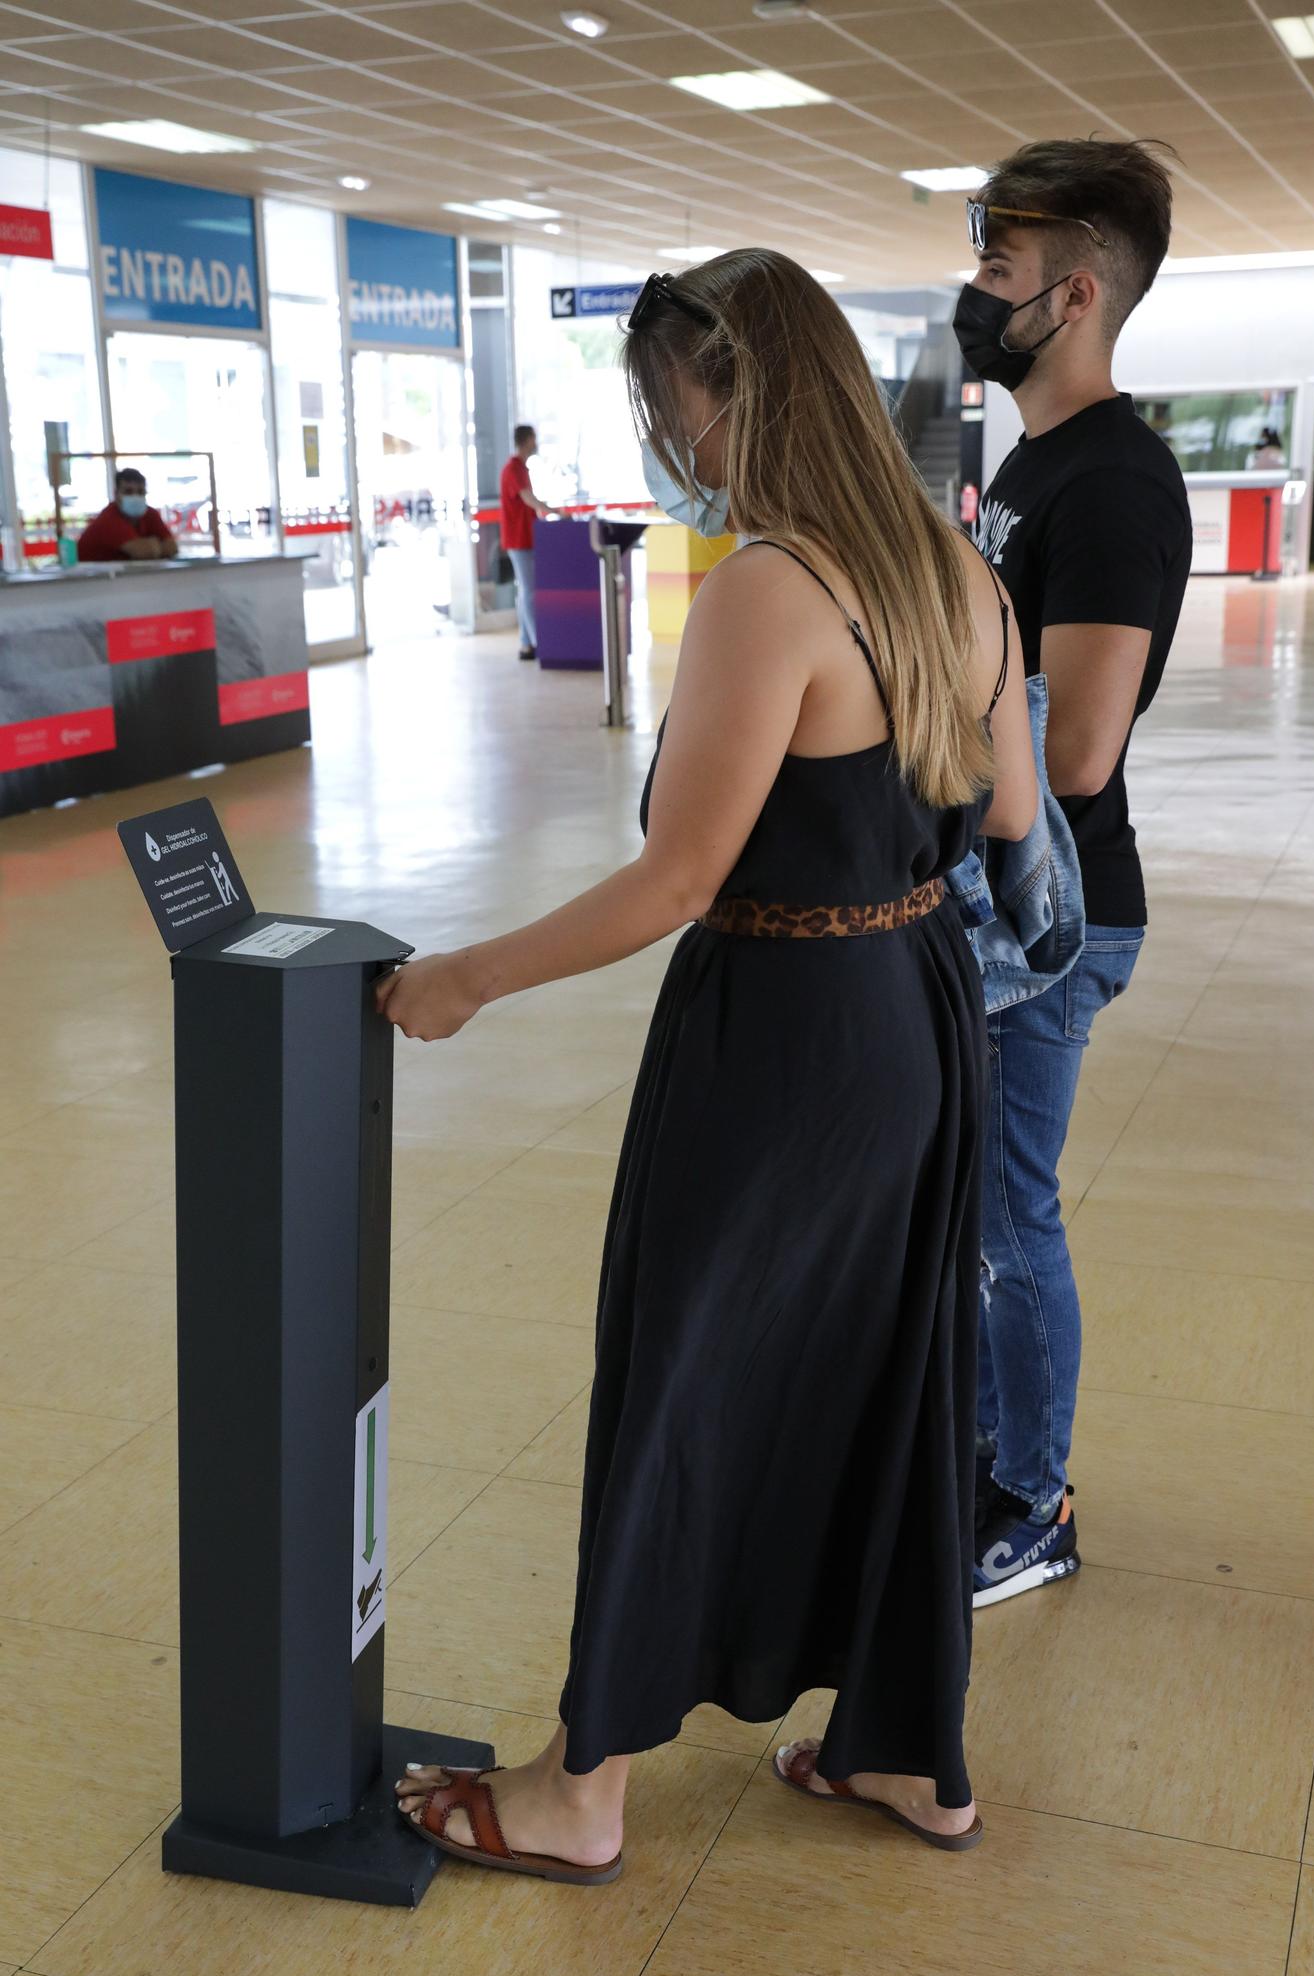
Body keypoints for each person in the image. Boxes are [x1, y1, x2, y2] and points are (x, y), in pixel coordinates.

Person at [380, 250, 1036, 1885]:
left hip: (781, 1032)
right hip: (915, 1019)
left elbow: (680, 879)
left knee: (681, 1376)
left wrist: (466, 978)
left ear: (731, 393)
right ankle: (906, 1754)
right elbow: (1015, 820)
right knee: (894, 1379)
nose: (666, 444)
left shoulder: (772, 583)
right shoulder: (957, 578)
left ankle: (580, 1789)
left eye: (665, 408)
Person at [953, 139, 1192, 1608]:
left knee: (1004, 1217)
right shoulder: (1031, 464)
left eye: (996, 272)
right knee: (974, 1213)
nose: (972, 297)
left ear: (1075, 293)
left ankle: (1030, 1502)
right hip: (990, 908)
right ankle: (989, 1452)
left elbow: (1080, 749)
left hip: (1051, 923)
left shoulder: (1114, 482)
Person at [499, 423, 551, 660]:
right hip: (518, 540)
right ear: (527, 439)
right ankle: (538, 642)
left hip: (525, 538)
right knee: (529, 592)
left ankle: (526, 643)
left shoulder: (521, 468)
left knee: (525, 591)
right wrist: (550, 510)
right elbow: (527, 498)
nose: (536, 442)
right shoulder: (513, 469)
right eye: (533, 438)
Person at [76, 467, 178, 563]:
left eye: (140, 492)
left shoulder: (150, 513)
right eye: (128, 492)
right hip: (89, 579)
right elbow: (143, 552)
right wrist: (155, 545)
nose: (135, 496)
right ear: (116, 494)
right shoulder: (109, 519)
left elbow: (172, 547)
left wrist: (151, 547)